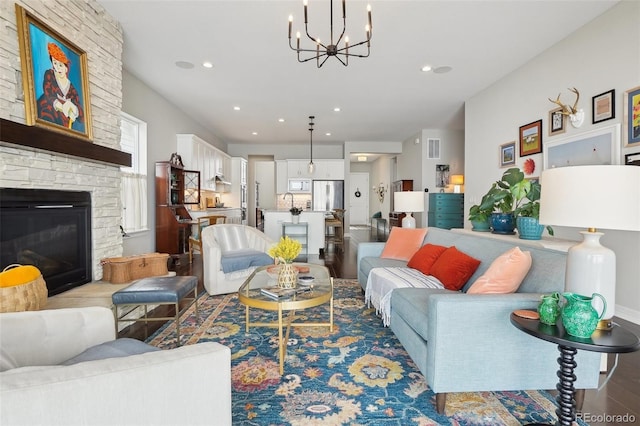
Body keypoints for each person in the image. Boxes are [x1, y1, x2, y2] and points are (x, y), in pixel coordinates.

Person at [36, 42, 84, 130]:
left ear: (66, 68)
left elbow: (81, 116)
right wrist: (61, 106)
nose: (57, 68)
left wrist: (74, 109)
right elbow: (48, 94)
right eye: (55, 63)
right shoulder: (50, 75)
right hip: (47, 113)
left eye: (60, 65)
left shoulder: (72, 89)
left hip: (63, 124)